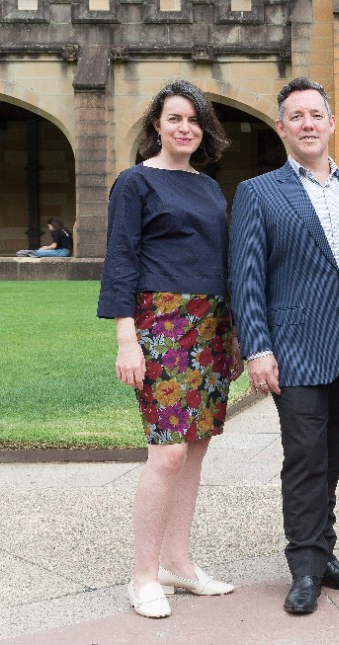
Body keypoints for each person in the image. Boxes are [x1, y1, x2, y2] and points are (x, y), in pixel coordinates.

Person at [228, 76, 339, 616]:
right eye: (295, 116)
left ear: (331, 122)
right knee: (304, 459)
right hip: (292, 351)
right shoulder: (258, 192)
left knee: (332, 459)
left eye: (315, 114)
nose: (307, 124)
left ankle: (324, 555)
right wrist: (256, 347)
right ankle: (303, 568)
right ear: (282, 128)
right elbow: (246, 277)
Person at [97, 80, 240, 620]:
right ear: (156, 124)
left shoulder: (207, 186)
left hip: (211, 324)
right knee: (169, 452)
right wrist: (125, 337)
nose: (185, 127)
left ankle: (179, 562)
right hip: (160, 323)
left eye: (194, 120)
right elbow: (120, 261)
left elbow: (223, 262)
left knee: (197, 448)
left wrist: (236, 333)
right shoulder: (135, 182)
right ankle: (143, 576)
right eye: (174, 118)